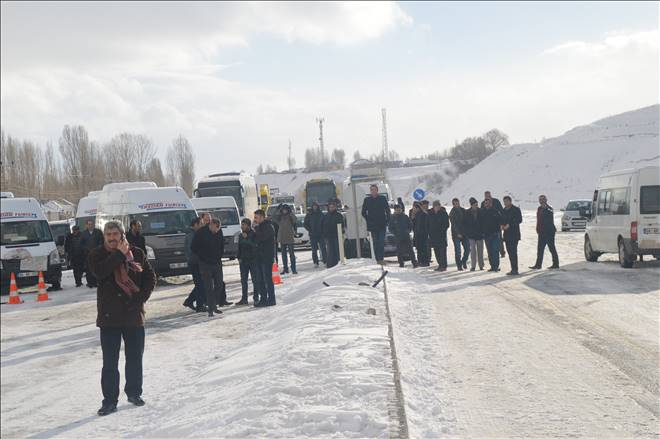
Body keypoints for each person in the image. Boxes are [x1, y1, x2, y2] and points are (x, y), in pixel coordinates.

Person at [87, 220, 156, 416]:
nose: (111, 239)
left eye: (115, 235)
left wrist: (140, 299)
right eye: (108, 235)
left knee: (134, 357)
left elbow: (151, 278)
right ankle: (109, 400)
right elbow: (99, 273)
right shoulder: (97, 254)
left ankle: (134, 392)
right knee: (110, 361)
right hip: (109, 317)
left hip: (133, 315)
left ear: (122, 235)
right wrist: (118, 254)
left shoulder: (137, 253)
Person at [191, 218, 227, 317]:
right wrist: (202, 257)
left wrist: (220, 255)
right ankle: (211, 309)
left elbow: (221, 245)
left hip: (217, 262)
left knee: (219, 284)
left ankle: (213, 304)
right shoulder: (201, 233)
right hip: (205, 263)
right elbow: (193, 247)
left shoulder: (219, 232)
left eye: (218, 229)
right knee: (208, 287)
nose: (217, 231)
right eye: (216, 229)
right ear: (211, 225)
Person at [361, 184, 390, 264]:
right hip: (372, 226)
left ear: (377, 190)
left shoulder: (382, 198)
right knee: (375, 243)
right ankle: (377, 259)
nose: (373, 191)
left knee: (381, 242)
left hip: (382, 224)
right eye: (372, 190)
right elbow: (363, 212)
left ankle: (381, 259)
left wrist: (387, 220)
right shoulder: (367, 200)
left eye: (374, 189)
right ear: (370, 191)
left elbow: (387, 210)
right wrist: (368, 220)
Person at [253, 209, 276, 307]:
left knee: (267, 279)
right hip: (259, 257)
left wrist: (256, 229)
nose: (255, 220)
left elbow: (262, 237)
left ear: (262, 217)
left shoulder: (268, 226)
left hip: (266, 257)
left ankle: (271, 299)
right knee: (260, 279)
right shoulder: (259, 227)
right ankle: (263, 299)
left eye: (256, 218)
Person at [530, 194, 560, 269]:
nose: (541, 201)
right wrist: (537, 229)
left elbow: (549, 218)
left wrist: (545, 209)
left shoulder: (549, 208)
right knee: (540, 249)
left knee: (551, 248)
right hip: (541, 232)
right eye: (540, 199)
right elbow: (539, 220)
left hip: (549, 232)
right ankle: (538, 265)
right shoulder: (539, 209)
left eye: (543, 199)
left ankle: (556, 264)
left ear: (546, 200)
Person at [183, 217, 206, 312]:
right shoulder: (191, 235)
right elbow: (193, 250)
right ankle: (200, 305)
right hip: (195, 263)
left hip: (197, 262)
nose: (202, 225)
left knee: (200, 284)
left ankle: (189, 301)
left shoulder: (195, 234)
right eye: (200, 224)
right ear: (195, 225)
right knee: (200, 284)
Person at [237, 218, 259, 305]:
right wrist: (238, 257)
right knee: (243, 280)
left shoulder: (253, 234)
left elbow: (255, 246)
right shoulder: (240, 235)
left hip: (252, 260)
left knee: (255, 280)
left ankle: (256, 297)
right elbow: (239, 247)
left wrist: (247, 240)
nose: (242, 226)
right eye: (242, 225)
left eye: (244, 225)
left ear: (248, 225)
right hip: (243, 261)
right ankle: (244, 298)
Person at [388, 204, 418, 268]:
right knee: (399, 251)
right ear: (395, 210)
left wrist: (408, 231)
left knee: (410, 250)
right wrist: (395, 233)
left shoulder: (405, 216)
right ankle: (401, 264)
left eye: (399, 209)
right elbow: (390, 228)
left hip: (406, 236)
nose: (398, 211)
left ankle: (414, 263)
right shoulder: (392, 218)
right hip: (398, 237)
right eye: (397, 210)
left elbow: (410, 225)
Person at [273, 204, 298, 275]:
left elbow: (295, 219)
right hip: (282, 237)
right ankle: (285, 269)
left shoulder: (290, 216)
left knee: (292, 255)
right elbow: (273, 217)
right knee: (284, 255)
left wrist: (290, 213)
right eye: (283, 209)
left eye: (286, 209)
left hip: (289, 237)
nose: (284, 211)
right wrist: (277, 209)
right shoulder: (280, 217)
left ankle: (293, 269)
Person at [501, 196, 523, 275]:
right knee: (510, 252)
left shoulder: (516, 209)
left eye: (507, 201)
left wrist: (510, 225)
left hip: (514, 234)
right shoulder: (503, 210)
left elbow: (519, 220)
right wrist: (502, 225)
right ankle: (513, 268)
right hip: (506, 235)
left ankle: (515, 269)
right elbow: (501, 220)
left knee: (513, 252)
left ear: (510, 201)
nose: (505, 203)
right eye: (504, 201)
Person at [481, 197, 504, 272]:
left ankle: (496, 266)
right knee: (490, 251)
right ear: (484, 204)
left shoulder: (495, 211)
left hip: (495, 234)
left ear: (491, 203)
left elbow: (501, 220)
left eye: (488, 203)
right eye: (486, 203)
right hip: (486, 235)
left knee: (495, 251)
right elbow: (480, 223)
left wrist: (501, 226)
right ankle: (492, 266)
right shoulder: (482, 212)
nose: (487, 204)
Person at [481, 191, 506, 258]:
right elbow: (481, 213)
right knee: (489, 241)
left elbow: (501, 211)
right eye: (486, 195)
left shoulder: (496, 201)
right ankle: (492, 253)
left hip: (497, 224)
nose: (487, 196)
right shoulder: (483, 203)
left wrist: (502, 223)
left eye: (488, 195)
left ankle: (502, 252)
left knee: (499, 239)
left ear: (490, 195)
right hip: (487, 225)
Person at [463, 197, 485, 271]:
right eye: (474, 204)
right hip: (471, 235)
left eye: (476, 204)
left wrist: (483, 232)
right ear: (471, 205)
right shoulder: (467, 212)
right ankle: (473, 266)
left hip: (480, 234)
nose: (476, 206)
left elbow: (483, 223)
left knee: (480, 251)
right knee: (472, 252)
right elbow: (465, 224)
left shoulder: (481, 211)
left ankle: (481, 265)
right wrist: (467, 233)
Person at [81, 219, 104, 288]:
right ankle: (90, 282)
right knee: (89, 269)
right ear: (86, 225)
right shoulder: (84, 234)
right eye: (89, 224)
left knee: (97, 268)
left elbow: (101, 241)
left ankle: (97, 282)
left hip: (97, 253)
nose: (90, 226)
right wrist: (86, 250)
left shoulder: (98, 232)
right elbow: (81, 244)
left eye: (91, 224)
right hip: (88, 254)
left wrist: (98, 249)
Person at [428, 200, 450, 272]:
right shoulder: (430, 213)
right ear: (433, 206)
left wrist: (441, 230)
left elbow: (447, 224)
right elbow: (428, 223)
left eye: (438, 206)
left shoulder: (443, 213)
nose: (437, 207)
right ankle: (440, 265)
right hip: (433, 236)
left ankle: (444, 266)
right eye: (436, 206)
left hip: (441, 236)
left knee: (442, 252)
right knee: (436, 251)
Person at [449, 198, 470, 271]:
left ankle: (464, 261)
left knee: (467, 249)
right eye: (455, 203)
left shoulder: (463, 210)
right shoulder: (452, 212)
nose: (457, 204)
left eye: (458, 203)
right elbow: (453, 224)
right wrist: (458, 233)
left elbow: (467, 221)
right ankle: (459, 265)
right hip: (456, 235)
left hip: (465, 233)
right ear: (453, 204)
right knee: (458, 251)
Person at [304, 202, 326, 268]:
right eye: (314, 206)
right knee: (314, 250)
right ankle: (315, 262)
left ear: (318, 207)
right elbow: (305, 224)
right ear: (312, 207)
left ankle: (325, 261)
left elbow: (324, 223)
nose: (315, 207)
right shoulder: (309, 214)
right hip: (313, 235)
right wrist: (310, 230)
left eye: (316, 206)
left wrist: (323, 231)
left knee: (323, 248)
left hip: (321, 234)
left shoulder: (321, 214)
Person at [323, 199, 344, 268]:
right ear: (328, 208)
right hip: (329, 237)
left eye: (333, 207)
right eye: (330, 207)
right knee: (330, 251)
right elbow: (323, 226)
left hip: (337, 236)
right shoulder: (326, 216)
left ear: (335, 207)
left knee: (338, 250)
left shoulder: (339, 215)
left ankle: (339, 263)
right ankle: (330, 265)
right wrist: (325, 234)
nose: (331, 208)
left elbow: (342, 225)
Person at [412, 202, 430, 266]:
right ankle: (420, 261)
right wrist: (413, 219)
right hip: (417, 234)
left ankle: (425, 262)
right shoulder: (416, 215)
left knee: (423, 249)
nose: (413, 209)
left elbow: (425, 225)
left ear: (417, 208)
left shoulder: (423, 214)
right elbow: (414, 226)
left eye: (414, 208)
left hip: (422, 235)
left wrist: (424, 233)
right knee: (419, 248)